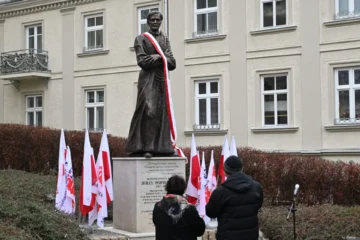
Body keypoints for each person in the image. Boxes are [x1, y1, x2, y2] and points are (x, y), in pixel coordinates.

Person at [125, 11, 176, 158]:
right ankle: (145, 147)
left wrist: (156, 57)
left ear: (160, 21)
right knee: (149, 110)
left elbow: (172, 63)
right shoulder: (141, 39)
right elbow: (142, 61)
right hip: (147, 79)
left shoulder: (165, 39)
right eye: (152, 20)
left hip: (162, 79)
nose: (155, 22)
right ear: (148, 22)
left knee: (162, 112)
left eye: (157, 20)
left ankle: (162, 148)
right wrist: (161, 57)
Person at [206, 155, 263, 240]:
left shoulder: (220, 192)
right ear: (242, 169)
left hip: (227, 236)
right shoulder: (257, 187)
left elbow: (210, 213)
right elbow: (258, 205)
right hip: (251, 236)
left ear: (225, 171)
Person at [152, 175, 206, 240]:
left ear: (167, 187)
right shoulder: (189, 208)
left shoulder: (157, 206)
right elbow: (200, 230)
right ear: (183, 189)